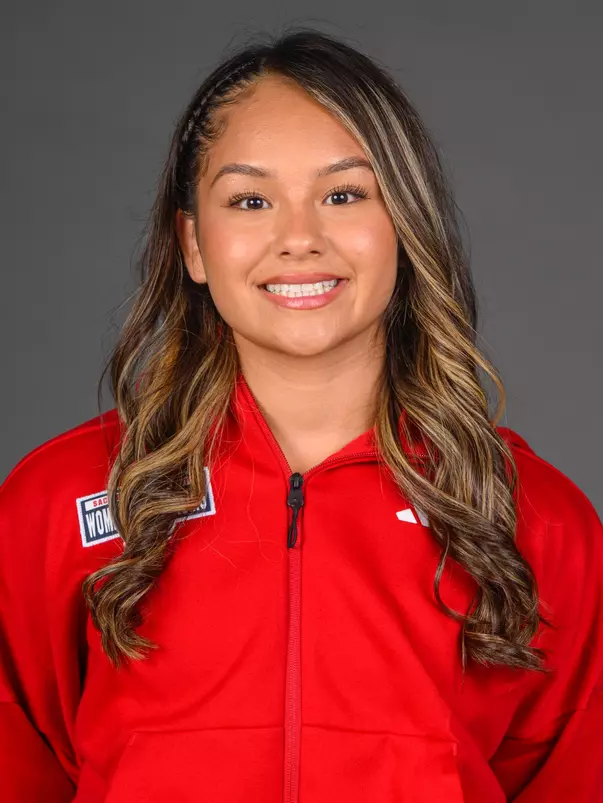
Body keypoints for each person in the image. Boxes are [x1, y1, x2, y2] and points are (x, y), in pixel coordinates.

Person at [1, 28, 601, 803]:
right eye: (250, 200)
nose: (298, 239)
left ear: (404, 227)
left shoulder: (533, 523)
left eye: (344, 194)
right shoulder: (63, 500)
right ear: (193, 243)